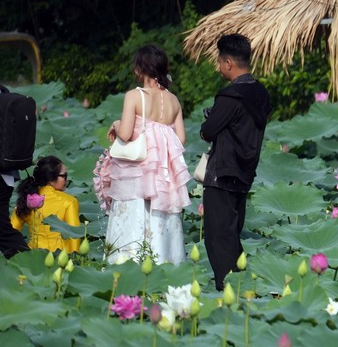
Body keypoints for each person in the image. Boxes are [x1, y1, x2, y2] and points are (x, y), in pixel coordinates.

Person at [93, 45, 191, 265]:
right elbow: (181, 140)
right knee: (160, 220)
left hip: (136, 175)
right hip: (162, 177)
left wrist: (116, 124)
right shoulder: (174, 100)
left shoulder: (135, 96)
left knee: (134, 218)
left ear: (139, 69)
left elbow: (126, 134)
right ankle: (163, 266)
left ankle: (129, 272)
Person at [200, 34, 272, 289]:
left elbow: (207, 131)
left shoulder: (231, 96)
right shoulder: (261, 93)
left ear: (229, 62)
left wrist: (209, 119)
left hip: (222, 175)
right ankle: (241, 287)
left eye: (220, 62)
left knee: (218, 239)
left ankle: (229, 290)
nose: (219, 68)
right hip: (244, 174)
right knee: (231, 235)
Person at [12, 156, 80, 253]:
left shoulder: (28, 199)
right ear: (51, 180)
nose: (67, 180)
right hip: (58, 258)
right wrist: (75, 261)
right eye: (64, 176)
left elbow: (11, 230)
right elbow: (74, 237)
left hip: (33, 256)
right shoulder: (70, 201)